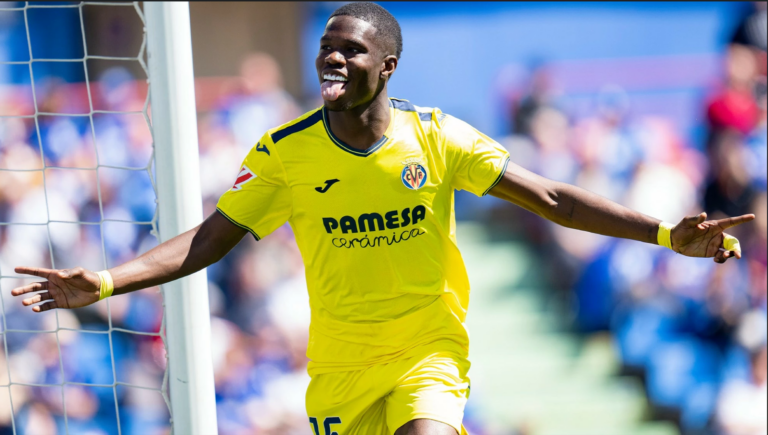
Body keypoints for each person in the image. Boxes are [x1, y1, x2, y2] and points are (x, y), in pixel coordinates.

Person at [11, 3, 755, 435]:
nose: (331, 59)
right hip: (340, 371)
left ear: (387, 66)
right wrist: (103, 282)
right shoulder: (284, 153)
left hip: (429, 352)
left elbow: (553, 198)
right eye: (326, 48)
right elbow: (212, 238)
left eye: (350, 49)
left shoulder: (437, 136)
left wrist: (664, 235)